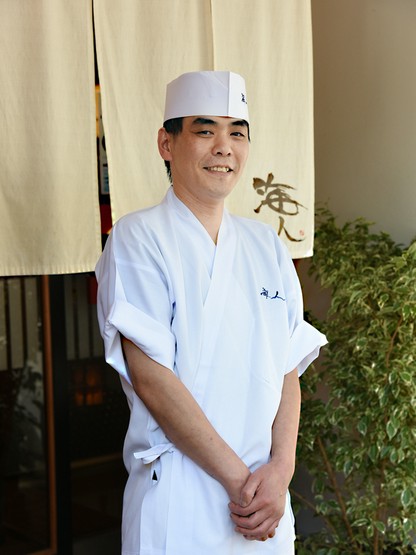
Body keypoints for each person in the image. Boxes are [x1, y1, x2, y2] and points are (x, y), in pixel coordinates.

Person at [95, 70, 327, 555]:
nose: (224, 148)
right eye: (205, 131)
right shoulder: (138, 238)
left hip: (265, 504)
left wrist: (280, 471)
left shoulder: (266, 245)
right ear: (167, 143)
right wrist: (241, 484)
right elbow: (152, 379)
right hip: (181, 498)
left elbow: (287, 369)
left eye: (237, 133)